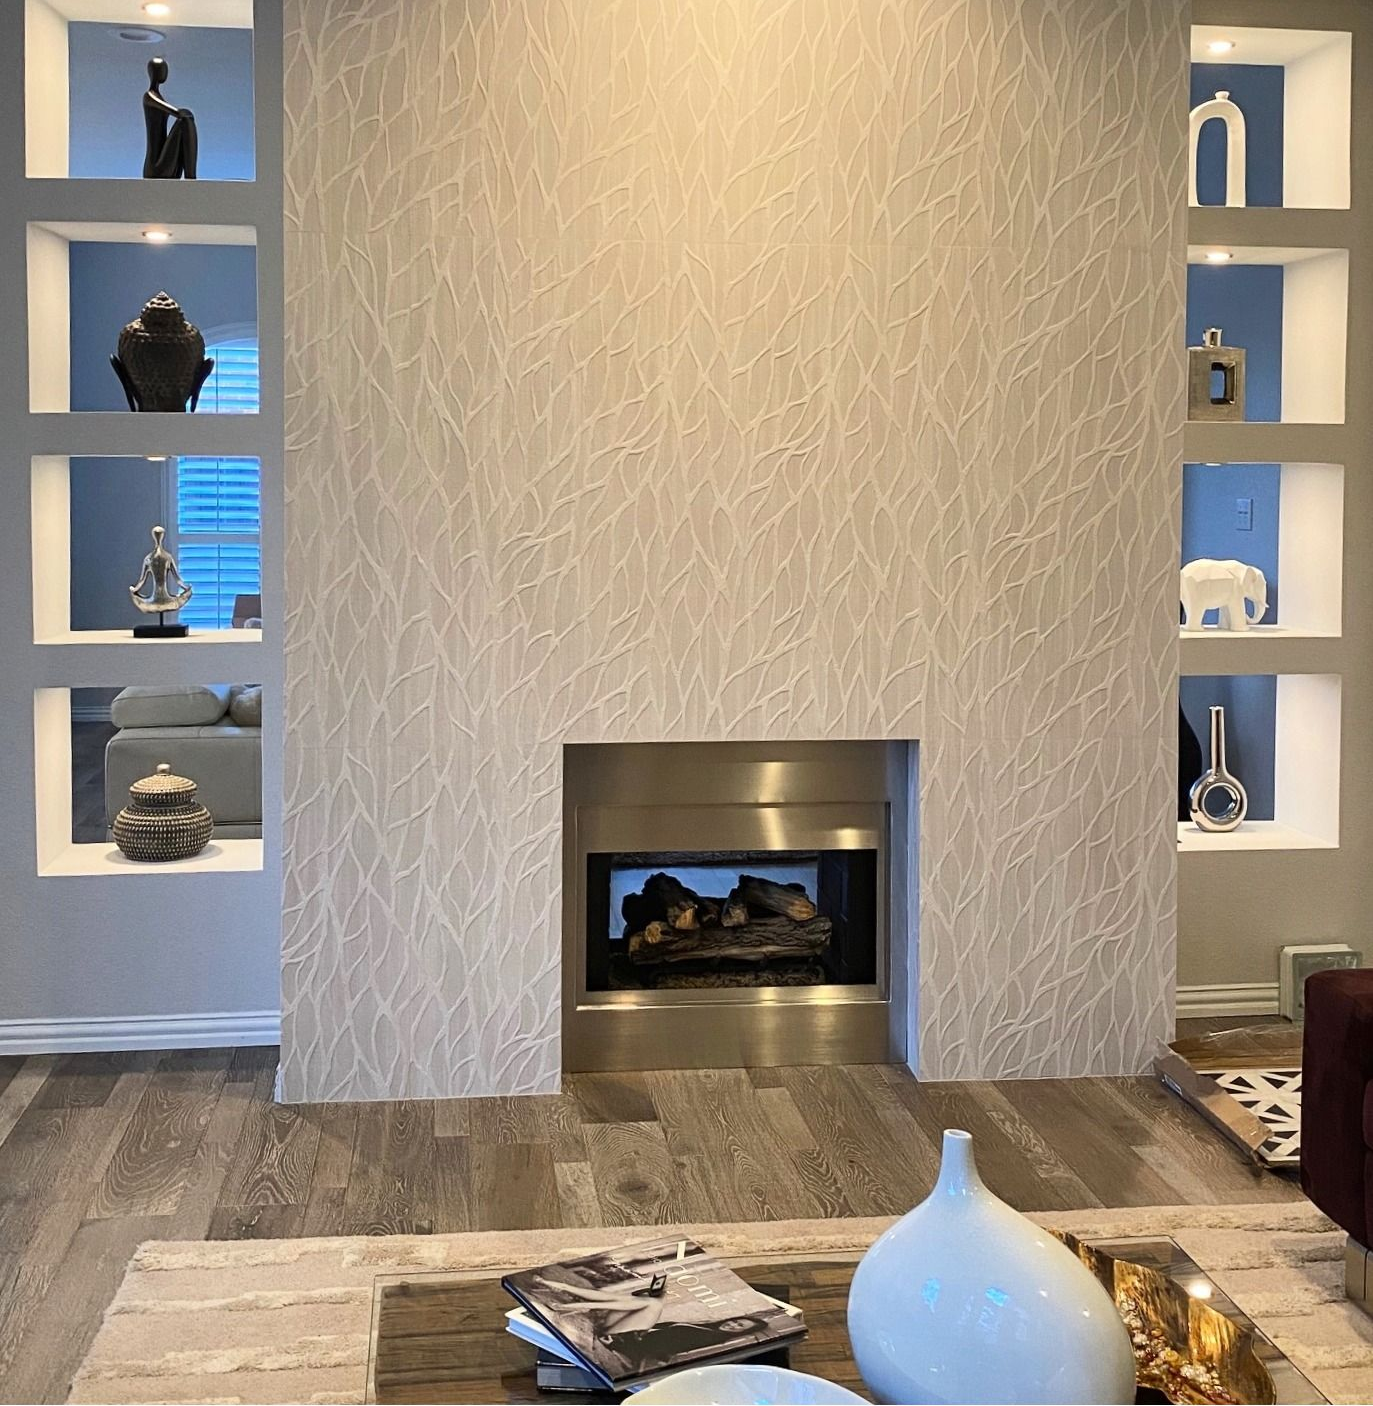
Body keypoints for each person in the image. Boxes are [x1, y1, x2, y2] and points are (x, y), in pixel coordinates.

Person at [534, 1276, 770, 1374]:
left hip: (626, 1343)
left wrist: (618, 1341)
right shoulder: (706, 1328)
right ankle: (565, 1297)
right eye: (736, 1321)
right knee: (645, 1302)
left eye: (740, 1326)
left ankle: (564, 1295)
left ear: (742, 1332)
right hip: (627, 1335)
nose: (733, 1325)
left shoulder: (707, 1339)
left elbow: (654, 1347)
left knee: (651, 1304)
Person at [143, 57, 198, 179]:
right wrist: (183, 114)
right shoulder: (149, 97)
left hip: (164, 161)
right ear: (152, 72)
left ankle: (191, 177)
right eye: (161, 69)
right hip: (155, 166)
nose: (164, 73)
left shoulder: (158, 96)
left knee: (186, 118)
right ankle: (191, 177)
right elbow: (176, 112)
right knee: (186, 118)